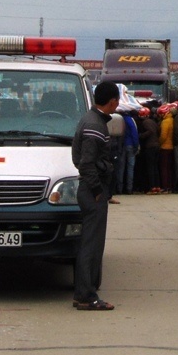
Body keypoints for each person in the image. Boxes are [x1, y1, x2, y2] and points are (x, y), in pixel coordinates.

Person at [71, 80, 120, 310]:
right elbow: (85, 164)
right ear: (112, 101)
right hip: (93, 192)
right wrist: (98, 190)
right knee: (91, 246)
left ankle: (83, 293)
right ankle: (86, 296)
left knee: (89, 244)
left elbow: (78, 159)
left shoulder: (90, 120)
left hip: (90, 190)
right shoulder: (95, 126)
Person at [137, 107, 161, 194]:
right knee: (155, 167)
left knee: (150, 167)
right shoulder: (153, 121)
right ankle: (157, 186)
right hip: (157, 145)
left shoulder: (145, 122)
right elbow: (158, 131)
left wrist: (141, 136)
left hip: (150, 147)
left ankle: (152, 187)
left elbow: (150, 131)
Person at [158, 104, 175, 192]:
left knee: (164, 168)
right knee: (170, 168)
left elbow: (163, 136)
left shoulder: (165, 122)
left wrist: (159, 143)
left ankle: (165, 187)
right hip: (172, 147)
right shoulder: (172, 120)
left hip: (165, 147)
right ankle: (170, 186)